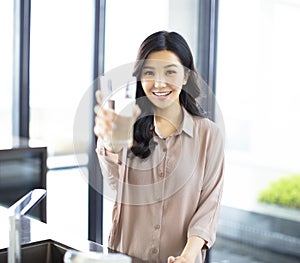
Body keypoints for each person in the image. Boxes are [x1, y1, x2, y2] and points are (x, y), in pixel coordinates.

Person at [94, 31, 224, 263]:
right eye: (149, 72)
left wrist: (187, 256)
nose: (159, 83)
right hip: (125, 256)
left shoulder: (208, 134)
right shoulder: (125, 126)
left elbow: (209, 207)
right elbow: (114, 186)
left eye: (170, 72)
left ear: (185, 76)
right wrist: (110, 146)